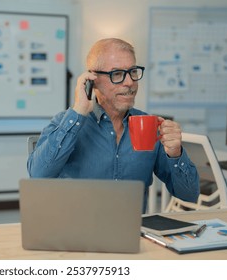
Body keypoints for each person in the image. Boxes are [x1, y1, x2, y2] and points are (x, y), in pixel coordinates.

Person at [27, 38, 199, 213]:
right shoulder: (67, 122)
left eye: (133, 71)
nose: (130, 82)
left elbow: (189, 195)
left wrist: (176, 154)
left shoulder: (149, 125)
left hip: (132, 235)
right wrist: (78, 112)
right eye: (117, 74)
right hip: (78, 235)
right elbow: (39, 175)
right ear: (92, 81)